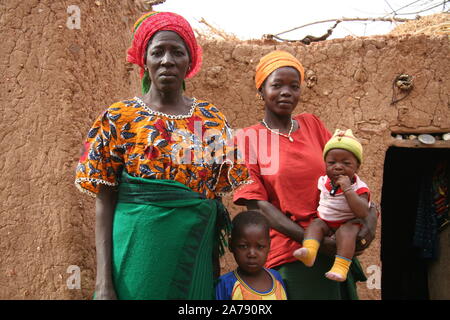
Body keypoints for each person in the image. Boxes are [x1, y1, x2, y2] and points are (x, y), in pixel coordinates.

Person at [74, 11, 249, 300]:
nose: (167, 60)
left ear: (189, 61)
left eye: (177, 52)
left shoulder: (211, 119)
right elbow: (105, 200)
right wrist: (103, 282)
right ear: (145, 61)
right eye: (157, 52)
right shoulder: (118, 118)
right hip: (137, 257)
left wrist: (212, 263)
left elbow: (214, 199)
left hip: (194, 257)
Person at [233, 50, 378, 300]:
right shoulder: (249, 139)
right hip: (294, 254)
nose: (286, 92)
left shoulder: (312, 124)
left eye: (294, 86)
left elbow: (346, 171)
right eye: (277, 85)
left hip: (336, 246)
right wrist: (314, 242)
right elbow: (256, 204)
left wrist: (370, 218)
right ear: (261, 90)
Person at [293, 129, 371, 282]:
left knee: (346, 232)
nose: (338, 167)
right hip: (327, 222)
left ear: (357, 167)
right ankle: (309, 252)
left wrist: (348, 190)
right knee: (315, 224)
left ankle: (340, 268)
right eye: (332, 163)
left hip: (349, 222)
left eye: (346, 163)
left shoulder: (359, 187)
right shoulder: (323, 181)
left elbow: (363, 212)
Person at [215, 211, 287, 300]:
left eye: (260, 247)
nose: (252, 254)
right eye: (243, 246)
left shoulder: (276, 278)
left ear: (269, 246)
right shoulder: (226, 284)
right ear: (231, 245)